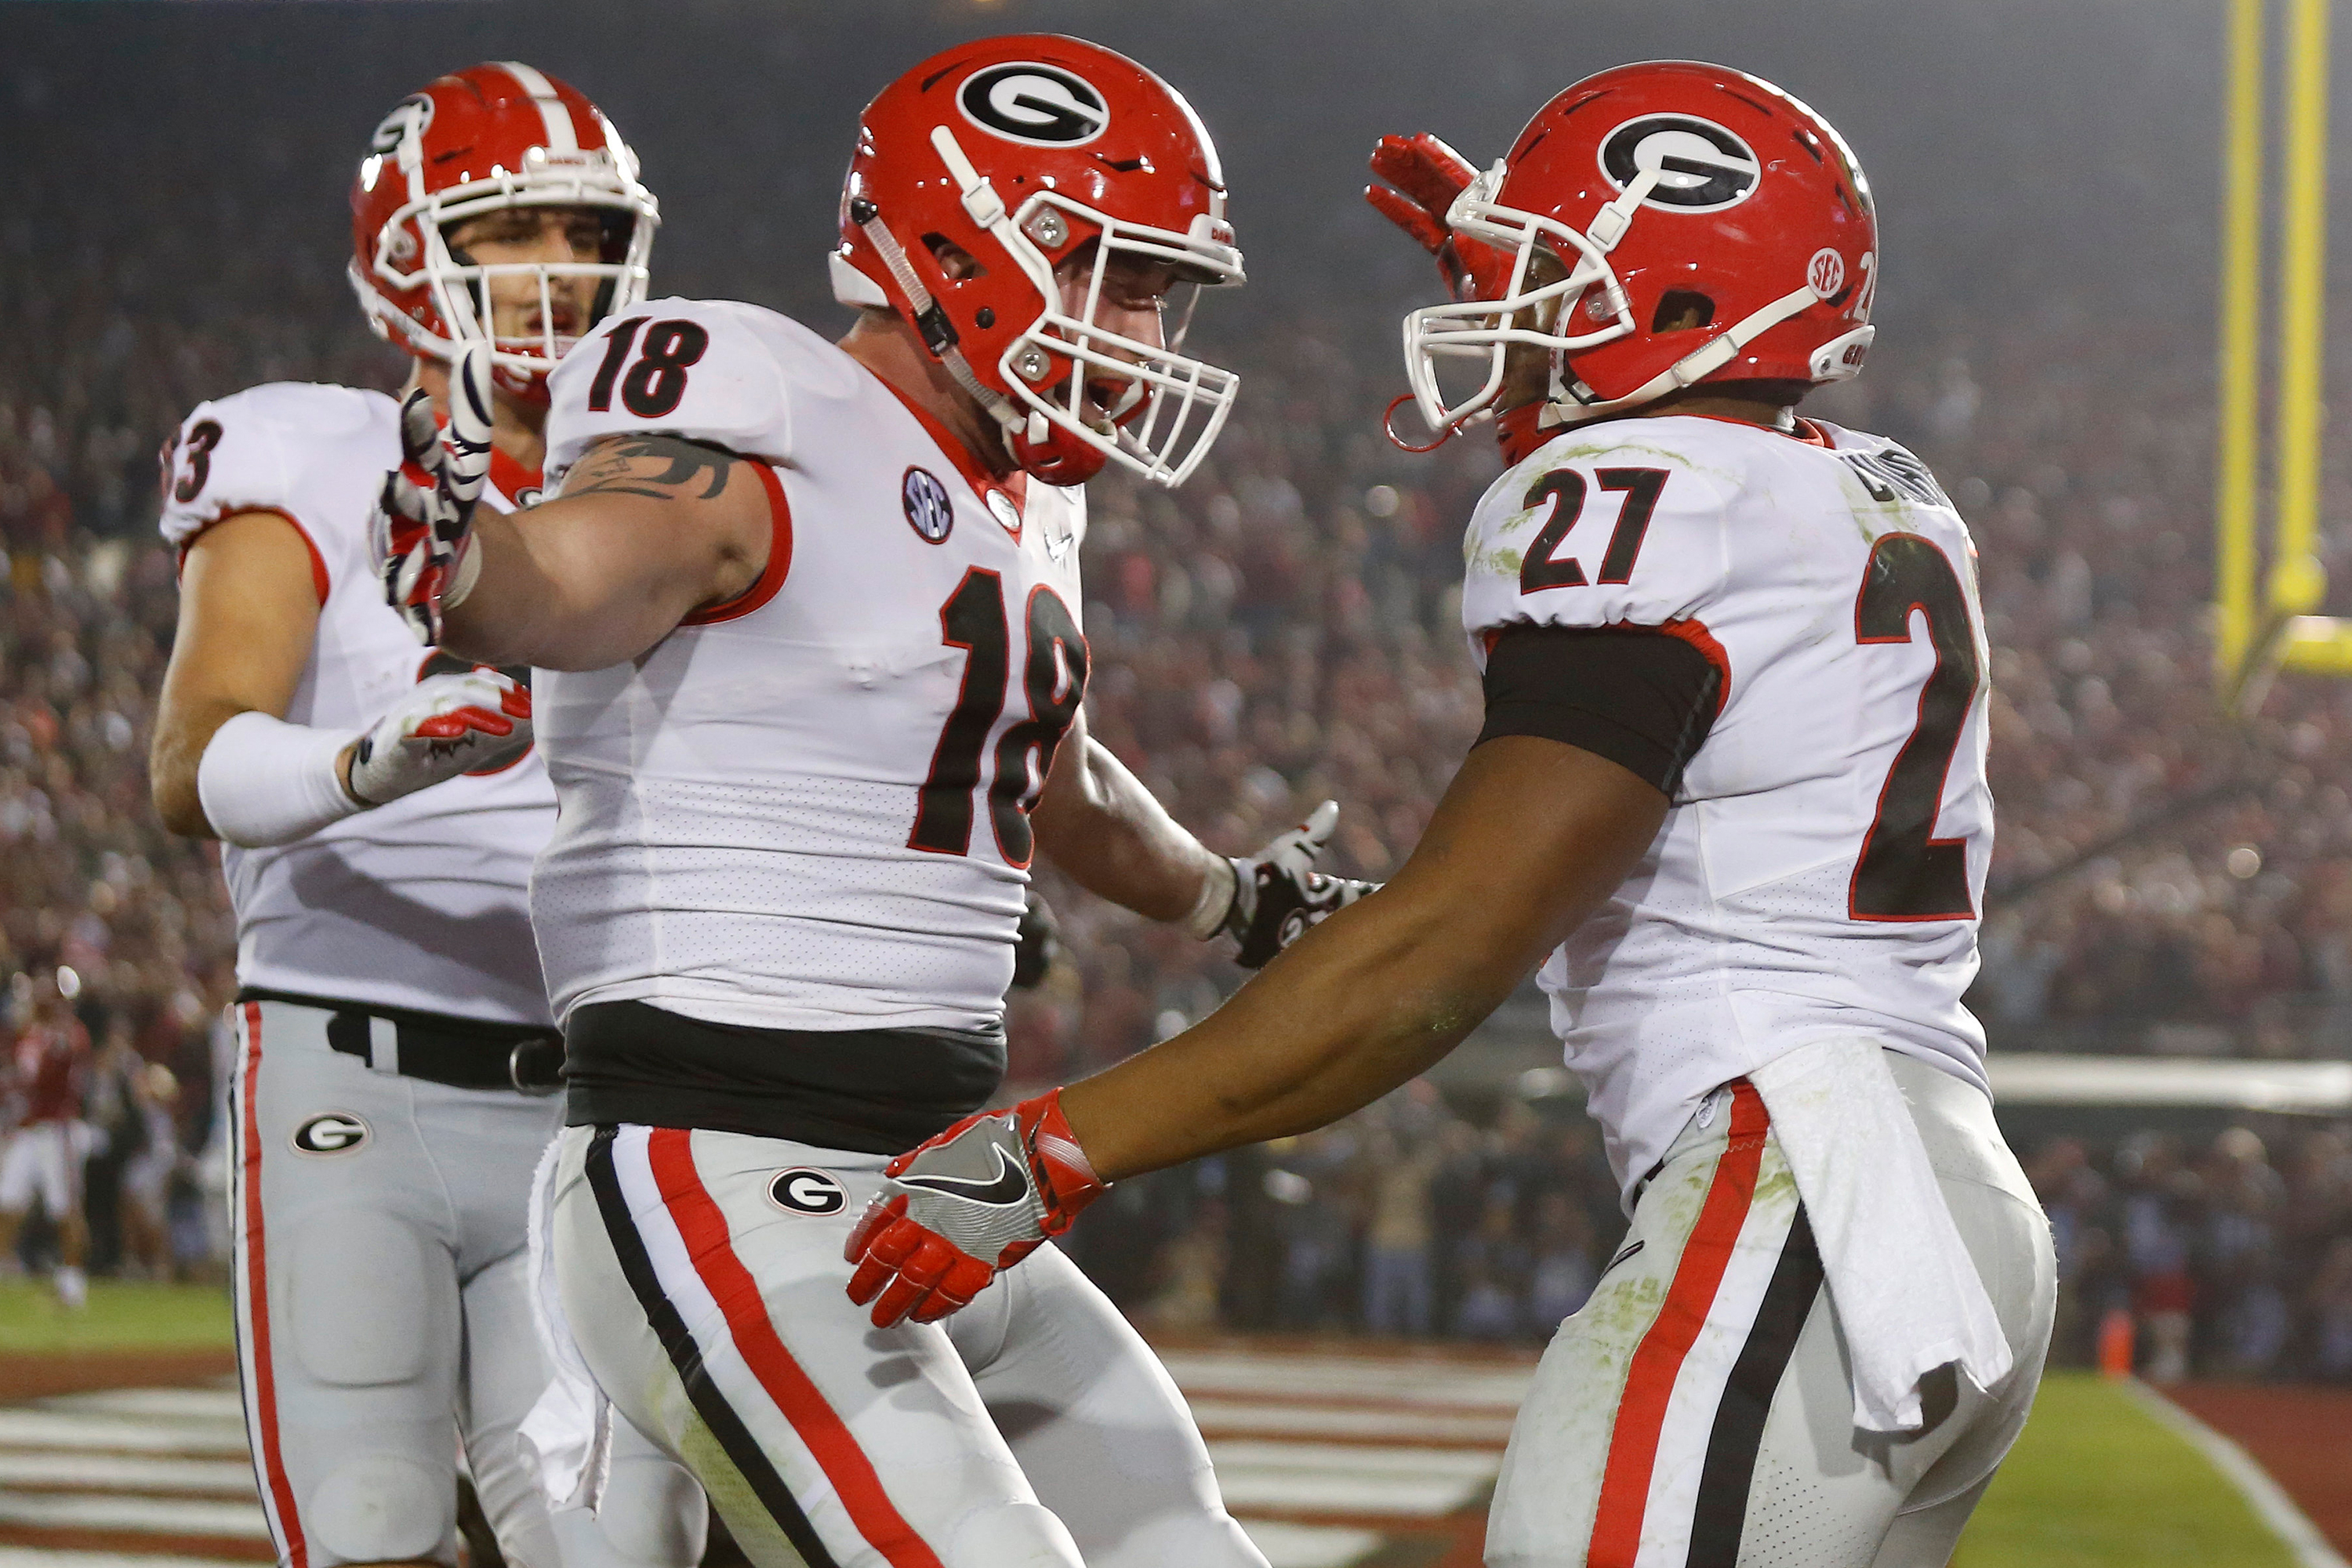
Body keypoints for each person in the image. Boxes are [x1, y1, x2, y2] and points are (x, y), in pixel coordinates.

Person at [844, 60, 2059, 1568]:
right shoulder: (1862, 485)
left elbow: (1448, 950)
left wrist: (1059, 1144)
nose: (1512, 323)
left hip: (1800, 1187)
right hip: (1922, 1200)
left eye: (1553, 283)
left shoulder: (1646, 487)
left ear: (1674, 305)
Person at [375, 34, 1365, 1568]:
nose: (1146, 326)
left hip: (938, 1172)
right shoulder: (764, 404)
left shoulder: (1031, 497)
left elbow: (1060, 770)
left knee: (1185, 1539)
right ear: (962, 245)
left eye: (1163, 287)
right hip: (716, 1156)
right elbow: (577, 575)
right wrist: (467, 563)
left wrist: (1234, 898)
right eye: (1112, 272)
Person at [149, 62, 703, 1568]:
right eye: (518, 230)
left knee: (622, 1545)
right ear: (410, 249)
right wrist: (365, 766)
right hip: (349, 1073)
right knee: (373, 1526)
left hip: (594, 1098)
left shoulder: (671, 488)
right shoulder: (305, 452)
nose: (566, 274)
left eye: (587, 236)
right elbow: (185, 763)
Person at [0, 968, 95, 1307]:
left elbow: (54, 1081)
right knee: (8, 1201)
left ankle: (73, 1284)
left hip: (57, 1130)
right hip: (28, 1128)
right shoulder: (31, 1035)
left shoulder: (67, 1035)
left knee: (65, 1209)